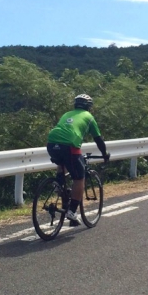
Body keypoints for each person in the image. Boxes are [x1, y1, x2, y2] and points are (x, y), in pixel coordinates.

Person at [46, 94, 110, 226]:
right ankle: (72, 211)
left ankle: (58, 183)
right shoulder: (89, 117)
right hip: (70, 146)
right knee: (79, 178)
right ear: (89, 107)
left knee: (62, 162)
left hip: (51, 143)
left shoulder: (66, 114)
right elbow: (98, 139)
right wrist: (104, 154)